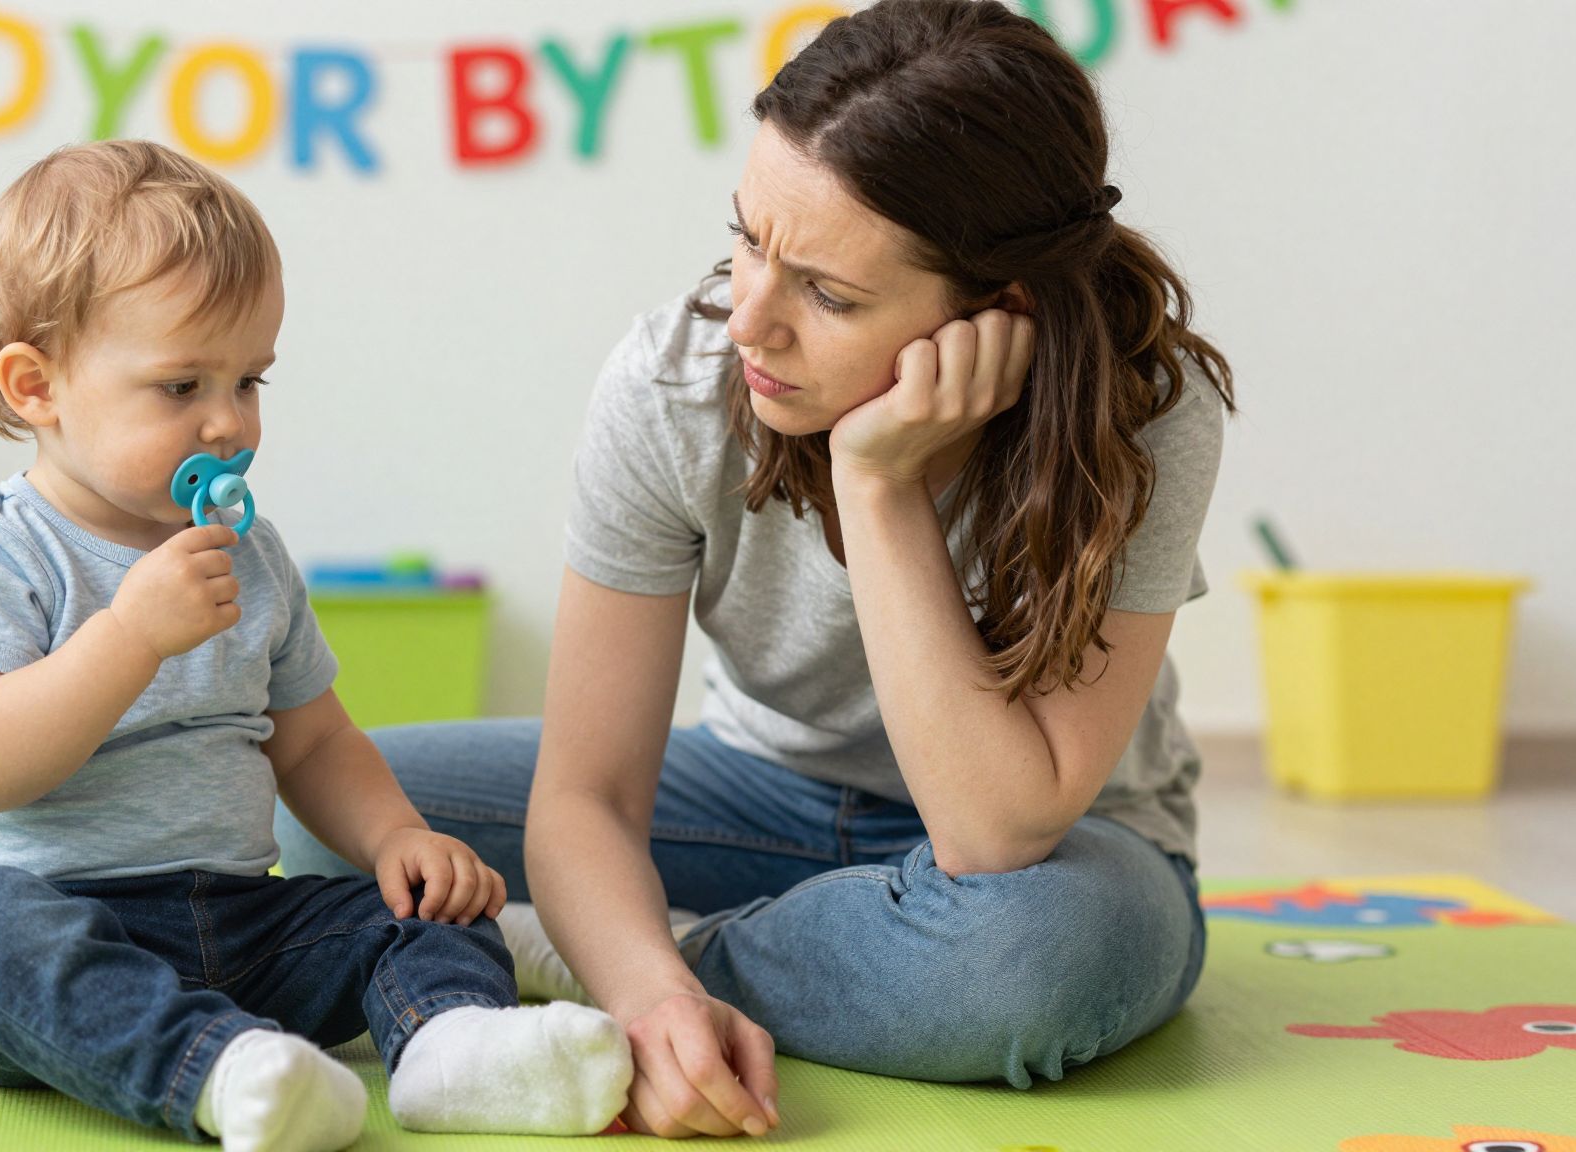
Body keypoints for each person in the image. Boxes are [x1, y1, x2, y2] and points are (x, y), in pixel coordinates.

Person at [276, 0, 1233, 1139]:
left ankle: (592, 948)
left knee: (1025, 967)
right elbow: (588, 794)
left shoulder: (1144, 413)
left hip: (1056, 854)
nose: (750, 319)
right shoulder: (671, 383)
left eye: (828, 295)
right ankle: (684, 957)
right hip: (760, 794)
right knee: (336, 820)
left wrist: (875, 486)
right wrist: (654, 1002)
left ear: (999, 306)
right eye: (745, 239)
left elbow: (992, 835)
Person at [0, 139, 632, 1152]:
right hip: (43, 932)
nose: (229, 423)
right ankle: (221, 1073)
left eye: (249, 380)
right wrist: (131, 634)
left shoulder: (251, 556)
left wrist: (395, 838)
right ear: (35, 386)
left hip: (232, 924)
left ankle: (451, 1050)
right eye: (181, 387)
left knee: (420, 912)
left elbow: (313, 743)